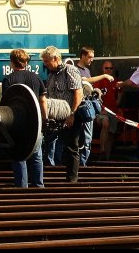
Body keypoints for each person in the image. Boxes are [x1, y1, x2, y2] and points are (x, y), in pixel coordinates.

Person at [1, 49, 50, 188]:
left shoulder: (8, 79)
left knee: (19, 155)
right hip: (35, 122)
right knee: (37, 155)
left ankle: (22, 188)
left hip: (17, 123)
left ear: (12, 62)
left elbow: (6, 103)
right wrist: (44, 119)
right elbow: (43, 101)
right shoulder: (36, 78)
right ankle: (39, 186)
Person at [41, 45, 83, 183]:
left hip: (69, 115)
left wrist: (72, 114)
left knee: (71, 146)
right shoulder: (52, 74)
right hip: (55, 116)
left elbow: (78, 92)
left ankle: (72, 179)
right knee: (49, 145)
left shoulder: (70, 70)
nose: (45, 64)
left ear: (56, 58)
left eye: (47, 61)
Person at [73, 46, 114, 166]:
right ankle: (81, 163)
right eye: (90, 57)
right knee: (83, 136)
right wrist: (104, 76)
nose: (92, 60)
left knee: (87, 137)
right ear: (83, 56)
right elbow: (86, 81)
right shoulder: (76, 70)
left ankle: (84, 162)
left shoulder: (86, 69)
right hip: (80, 108)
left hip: (87, 106)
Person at [95, 59, 122, 161]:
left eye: (110, 68)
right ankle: (102, 149)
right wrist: (99, 109)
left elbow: (120, 92)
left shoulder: (115, 82)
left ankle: (107, 158)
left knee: (111, 134)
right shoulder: (99, 81)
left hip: (113, 111)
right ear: (102, 69)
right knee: (105, 124)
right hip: (102, 111)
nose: (108, 70)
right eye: (106, 68)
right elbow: (95, 95)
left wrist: (117, 103)